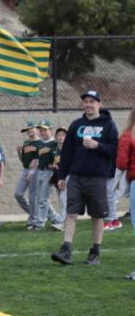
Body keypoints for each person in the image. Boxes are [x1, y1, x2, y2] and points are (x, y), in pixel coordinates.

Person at [52, 89, 119, 266]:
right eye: (86, 101)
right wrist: (61, 175)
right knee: (71, 213)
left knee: (97, 216)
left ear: (99, 104)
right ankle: (66, 250)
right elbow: (66, 152)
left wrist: (98, 145)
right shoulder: (76, 124)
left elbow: (115, 150)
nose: (88, 104)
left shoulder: (109, 125)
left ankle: (95, 252)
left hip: (97, 178)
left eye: (92, 101)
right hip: (75, 177)